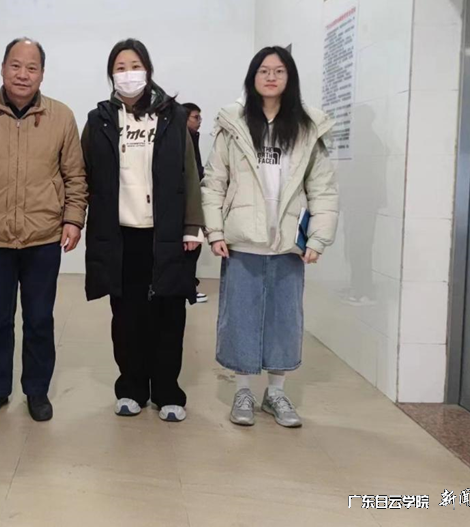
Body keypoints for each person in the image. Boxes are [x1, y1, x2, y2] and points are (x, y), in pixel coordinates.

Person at [0, 38, 87, 422]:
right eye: (15, 65)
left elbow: (75, 175)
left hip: (43, 236)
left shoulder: (61, 116)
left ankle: (37, 391)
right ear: (2, 68)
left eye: (31, 67)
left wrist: (73, 219)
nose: (22, 74)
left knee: (39, 319)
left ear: (42, 74)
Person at [201, 46, 338, 428]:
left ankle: (276, 392)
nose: (271, 77)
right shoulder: (234, 124)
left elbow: (323, 188)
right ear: (253, 77)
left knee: (284, 320)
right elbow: (214, 182)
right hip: (243, 240)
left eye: (279, 71)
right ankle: (243, 390)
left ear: (290, 78)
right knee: (240, 318)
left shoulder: (307, 129)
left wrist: (318, 239)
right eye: (264, 70)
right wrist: (215, 230)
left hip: (289, 243)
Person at [82, 38, 204, 423]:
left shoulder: (172, 117)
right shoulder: (99, 120)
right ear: (111, 75)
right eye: (120, 67)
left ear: (148, 70)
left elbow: (189, 172)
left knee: (169, 314)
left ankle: (168, 390)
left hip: (165, 233)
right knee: (126, 317)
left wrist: (192, 225)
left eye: (134, 66)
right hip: (121, 235)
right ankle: (131, 388)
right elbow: (83, 174)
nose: (128, 73)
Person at [182, 102, 208, 304]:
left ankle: (189, 285)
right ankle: (187, 289)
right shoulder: (183, 139)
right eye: (196, 117)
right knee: (189, 250)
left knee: (193, 248)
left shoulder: (193, 137)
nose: (199, 121)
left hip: (195, 200)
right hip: (184, 205)